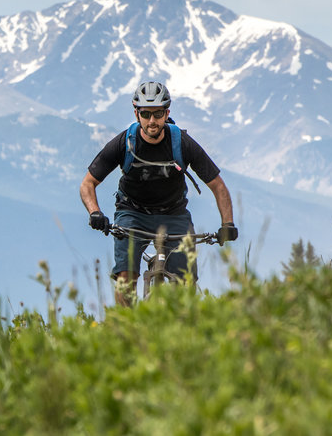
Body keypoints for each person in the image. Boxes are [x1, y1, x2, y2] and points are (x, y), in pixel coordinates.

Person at [79, 81, 237, 305]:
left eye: (158, 113)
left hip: (174, 214)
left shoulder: (181, 143)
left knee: (185, 283)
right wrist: (95, 213)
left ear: (167, 113)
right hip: (132, 213)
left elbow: (218, 186)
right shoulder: (125, 143)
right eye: (146, 114)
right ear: (137, 113)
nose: (152, 120)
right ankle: (123, 331)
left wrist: (227, 224)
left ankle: (180, 329)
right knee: (125, 278)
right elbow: (88, 183)